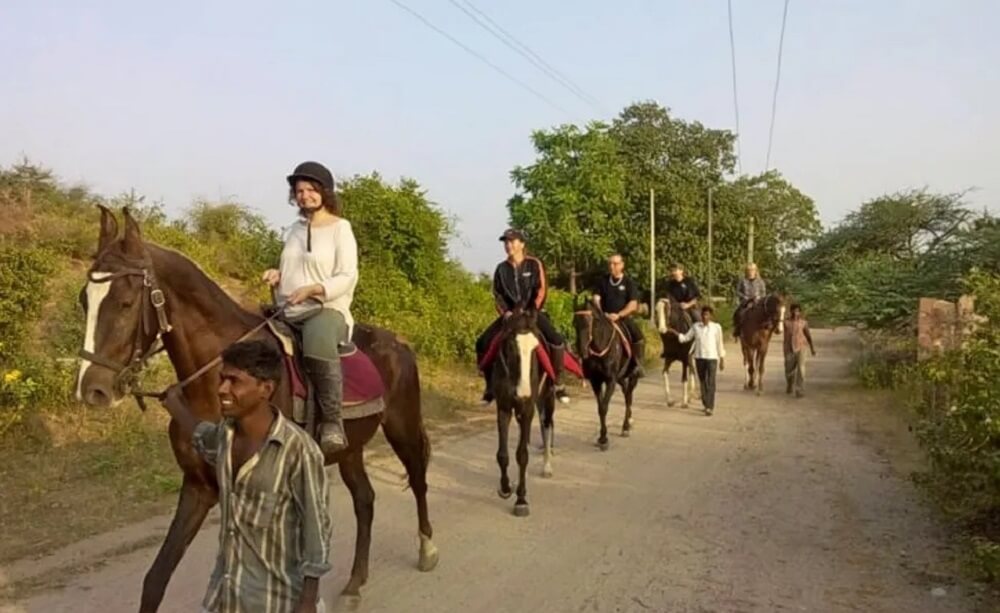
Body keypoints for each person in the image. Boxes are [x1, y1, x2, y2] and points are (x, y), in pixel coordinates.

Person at [159, 340, 331, 613]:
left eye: (234, 382)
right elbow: (200, 435)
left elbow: (317, 528)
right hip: (226, 597)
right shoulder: (224, 436)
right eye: (221, 379)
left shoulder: (299, 451)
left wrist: (308, 601)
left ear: (266, 389)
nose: (221, 389)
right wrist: (176, 407)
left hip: (279, 602)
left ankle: (332, 416)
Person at [262, 161, 356, 454]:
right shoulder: (294, 230)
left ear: (324, 192)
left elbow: (347, 275)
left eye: (311, 189)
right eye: (299, 190)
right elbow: (291, 269)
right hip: (287, 308)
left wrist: (315, 289)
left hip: (326, 309)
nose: (304, 195)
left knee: (317, 336)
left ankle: (332, 422)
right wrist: (276, 276)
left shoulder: (341, 228)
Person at [475, 229, 570, 405]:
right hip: (510, 315)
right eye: (505, 242)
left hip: (532, 313)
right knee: (482, 341)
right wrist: (506, 313)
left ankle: (558, 383)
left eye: (512, 241)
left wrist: (533, 310)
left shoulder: (534, 264)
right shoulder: (501, 269)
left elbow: (541, 289)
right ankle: (489, 388)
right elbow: (498, 295)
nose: (508, 245)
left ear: (522, 244)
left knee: (556, 340)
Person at [592, 253, 645, 377]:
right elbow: (596, 298)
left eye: (615, 264)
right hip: (604, 319)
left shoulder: (628, 282)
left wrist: (619, 315)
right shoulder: (602, 281)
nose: (612, 266)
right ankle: (587, 365)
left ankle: (638, 364)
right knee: (587, 333)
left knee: (638, 335)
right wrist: (602, 312)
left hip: (622, 319)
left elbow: (633, 304)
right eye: (610, 263)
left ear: (622, 265)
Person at [667, 306, 726, 416]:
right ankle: (705, 403)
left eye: (707, 315)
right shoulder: (696, 327)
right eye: (703, 315)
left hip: (712, 358)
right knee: (703, 381)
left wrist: (722, 358)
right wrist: (675, 333)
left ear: (711, 316)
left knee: (711, 382)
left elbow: (720, 343)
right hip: (700, 358)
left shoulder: (716, 328)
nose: (705, 317)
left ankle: (710, 406)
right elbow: (686, 338)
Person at [783, 303, 816, 397]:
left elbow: (808, 335)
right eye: (793, 310)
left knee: (801, 369)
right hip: (789, 348)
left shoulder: (803, 323)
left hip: (801, 347)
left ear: (800, 312)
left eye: (797, 311)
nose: (795, 313)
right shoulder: (786, 322)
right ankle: (790, 384)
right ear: (790, 311)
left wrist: (812, 348)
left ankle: (799, 389)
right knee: (788, 370)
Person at [733, 262, 767, 338]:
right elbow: (737, 292)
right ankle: (737, 329)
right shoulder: (742, 281)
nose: (750, 272)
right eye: (749, 270)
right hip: (745, 302)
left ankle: (766, 329)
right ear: (746, 271)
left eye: (752, 270)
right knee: (738, 313)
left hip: (758, 303)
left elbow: (763, 293)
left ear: (755, 271)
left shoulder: (760, 281)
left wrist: (758, 298)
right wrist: (745, 297)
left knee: (765, 314)